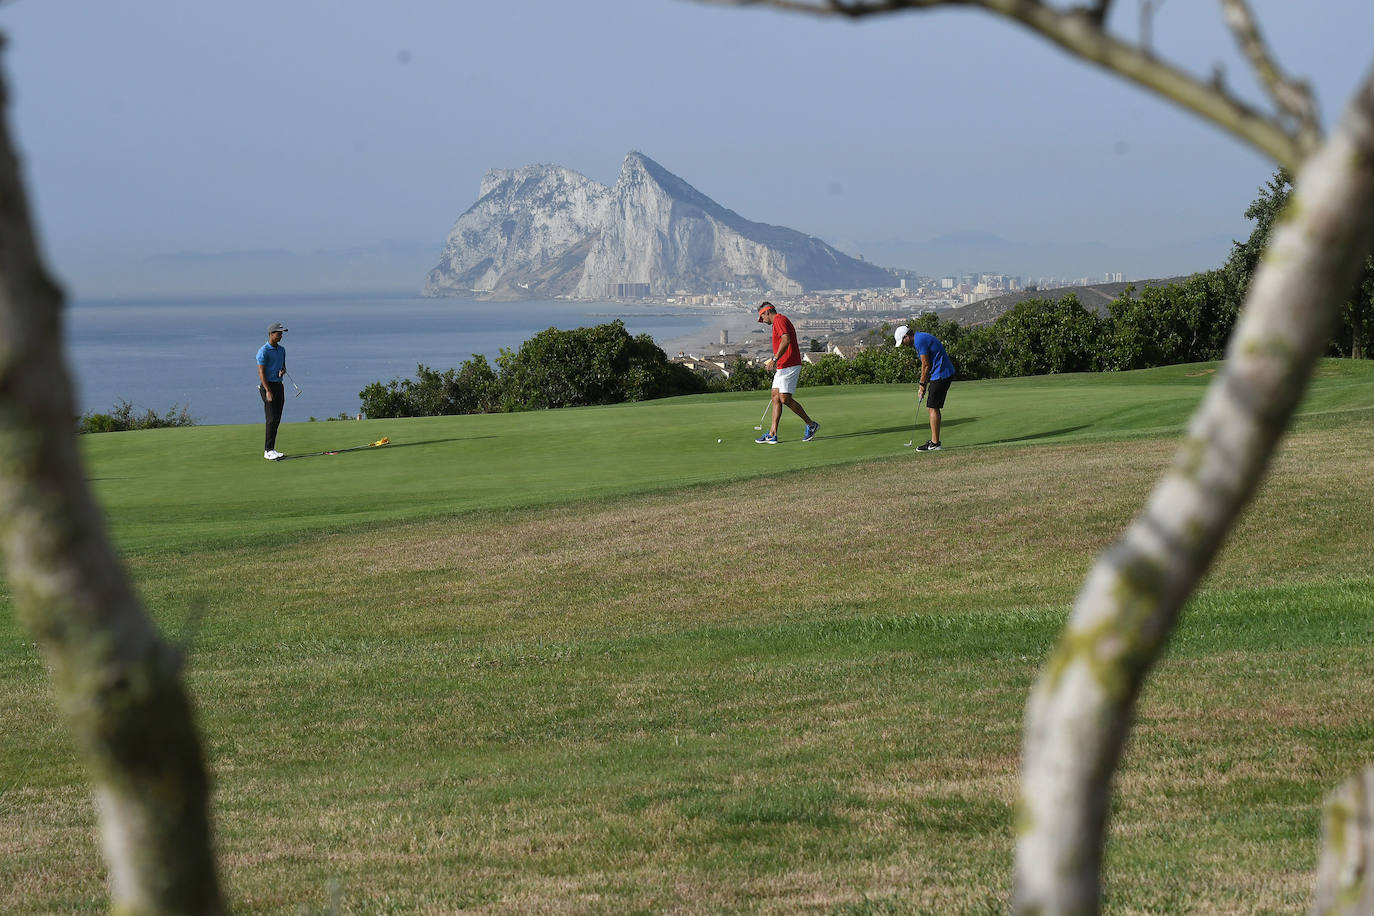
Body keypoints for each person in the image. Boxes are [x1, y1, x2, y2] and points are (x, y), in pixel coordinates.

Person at [754, 301, 819, 444]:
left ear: (767, 312)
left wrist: (774, 358)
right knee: (775, 397)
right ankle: (772, 434)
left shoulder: (779, 319)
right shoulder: (778, 321)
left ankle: (811, 424)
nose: (762, 321)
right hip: (783, 365)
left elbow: (786, 339)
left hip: (790, 363)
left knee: (784, 398)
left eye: (762, 317)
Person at [893, 324, 955, 451]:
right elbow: (928, 364)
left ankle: (935, 444)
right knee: (931, 407)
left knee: (933, 407)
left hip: (942, 374)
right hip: (939, 373)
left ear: (906, 337)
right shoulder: (920, 338)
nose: (904, 345)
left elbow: (926, 365)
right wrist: (925, 384)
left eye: (902, 342)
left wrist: (922, 385)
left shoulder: (920, 341)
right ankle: (934, 441)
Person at [256, 322, 289, 460]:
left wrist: (283, 371)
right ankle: (267, 450)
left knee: (277, 419)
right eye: (279, 333)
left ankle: (272, 449)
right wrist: (268, 391)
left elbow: (283, 367)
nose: (281, 335)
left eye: (282, 333)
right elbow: (261, 373)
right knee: (271, 419)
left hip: (279, 385)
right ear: (271, 334)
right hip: (267, 387)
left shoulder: (282, 350)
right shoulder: (263, 351)